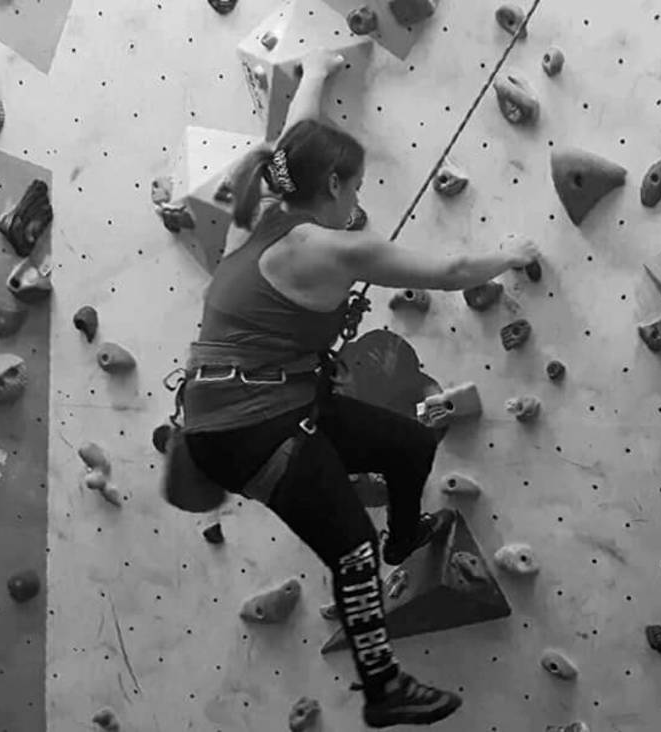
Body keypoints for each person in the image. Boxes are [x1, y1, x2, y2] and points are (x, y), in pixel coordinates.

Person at [178, 50, 540, 728]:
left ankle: (404, 538)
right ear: (336, 184)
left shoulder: (264, 216)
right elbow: (455, 268)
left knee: (407, 445)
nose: (357, 200)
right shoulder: (330, 248)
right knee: (348, 547)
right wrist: (512, 254)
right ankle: (383, 690)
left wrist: (320, 69)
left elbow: (300, 129)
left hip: (271, 402)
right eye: (354, 187)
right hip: (248, 427)